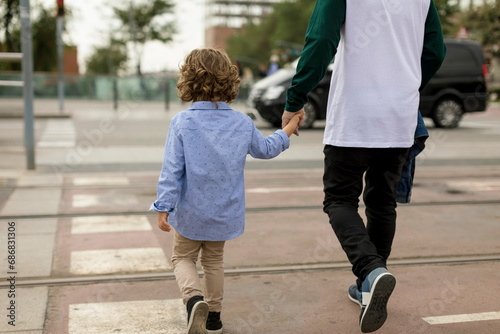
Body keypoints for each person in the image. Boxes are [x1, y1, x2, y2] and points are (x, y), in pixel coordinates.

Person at [282, 0, 446, 332]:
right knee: (382, 202)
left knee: (339, 200)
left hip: (354, 115)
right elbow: (435, 51)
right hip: (399, 117)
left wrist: (295, 100)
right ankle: (368, 285)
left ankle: (370, 271)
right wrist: (404, 85)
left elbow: (321, 42)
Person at [150, 48, 303, 334]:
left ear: (188, 81)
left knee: (182, 258)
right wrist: (288, 129)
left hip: (190, 212)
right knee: (213, 261)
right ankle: (214, 318)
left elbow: (171, 170)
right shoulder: (242, 122)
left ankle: (193, 298)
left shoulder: (182, 122)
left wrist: (164, 205)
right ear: (229, 81)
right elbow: (266, 150)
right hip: (223, 213)